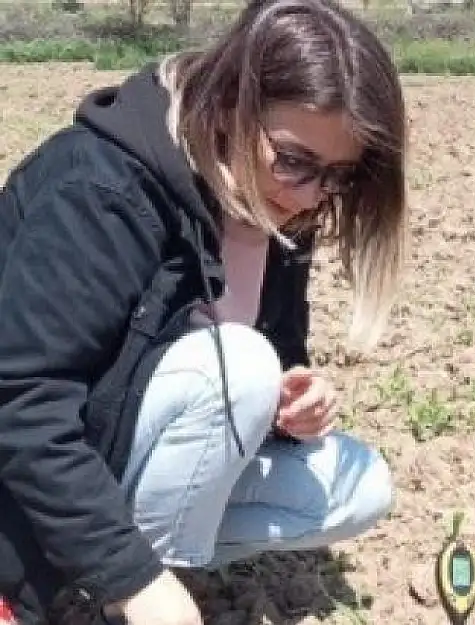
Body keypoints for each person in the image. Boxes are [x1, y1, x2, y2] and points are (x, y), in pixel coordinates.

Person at [0, 0, 408, 623]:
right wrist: (132, 579)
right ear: (228, 105)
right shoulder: (101, 191)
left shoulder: (281, 210)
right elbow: (22, 403)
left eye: (338, 175)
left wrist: (290, 403)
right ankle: (111, 592)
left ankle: (131, 578)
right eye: (295, 160)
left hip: (119, 459)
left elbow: (255, 366)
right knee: (240, 364)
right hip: (24, 493)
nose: (311, 194)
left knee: (361, 485)